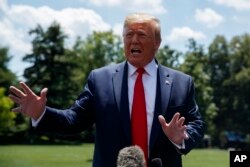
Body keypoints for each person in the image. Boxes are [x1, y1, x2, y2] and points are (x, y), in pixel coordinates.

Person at [9, 13, 205, 167]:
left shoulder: (182, 82)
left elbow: (196, 122)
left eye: (142, 35)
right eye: (129, 35)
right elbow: (74, 119)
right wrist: (42, 113)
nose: (134, 40)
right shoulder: (100, 79)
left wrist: (183, 136)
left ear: (157, 43)